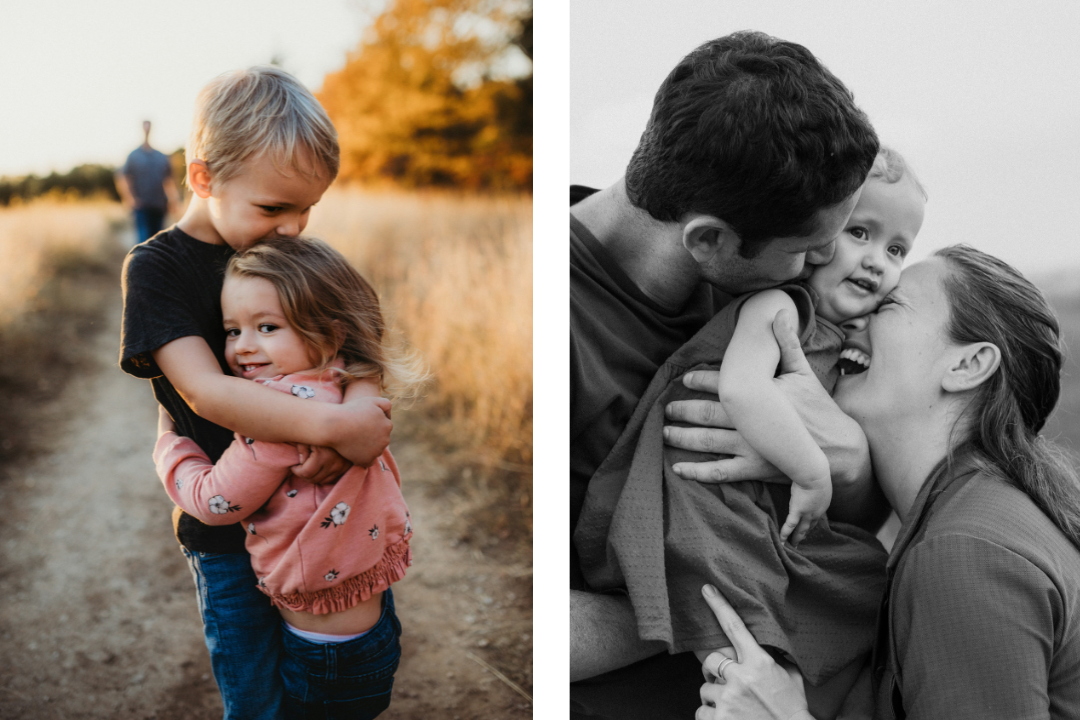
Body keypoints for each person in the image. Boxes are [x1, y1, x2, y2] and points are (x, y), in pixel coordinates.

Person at [570, 30, 889, 720]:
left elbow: (836, 514)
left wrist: (850, 459)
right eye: (808, 249)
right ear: (709, 239)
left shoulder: (768, 288)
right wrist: (730, 599)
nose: (826, 262)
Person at [696, 245, 1080, 719]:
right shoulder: (982, 517)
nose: (855, 319)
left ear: (967, 366)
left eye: (889, 305)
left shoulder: (963, 551)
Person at [119, 66, 394, 720]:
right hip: (226, 535)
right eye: (274, 208)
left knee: (340, 673)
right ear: (203, 178)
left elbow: (359, 337)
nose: (293, 227)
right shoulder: (158, 268)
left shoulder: (292, 256)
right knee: (255, 694)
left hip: (328, 518)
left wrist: (362, 405)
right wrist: (330, 428)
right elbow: (205, 390)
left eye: (307, 209)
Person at [155, 238, 423, 718]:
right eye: (232, 330)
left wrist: (168, 443)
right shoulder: (341, 382)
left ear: (330, 334)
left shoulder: (276, 421)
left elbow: (214, 501)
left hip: (324, 654)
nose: (244, 346)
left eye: (267, 327)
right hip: (371, 626)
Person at [115, 120, 180, 244]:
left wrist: (173, 200)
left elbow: (169, 180)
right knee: (143, 240)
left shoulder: (161, 156)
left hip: (159, 205)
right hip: (141, 206)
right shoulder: (133, 155)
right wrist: (130, 199)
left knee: (158, 241)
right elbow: (123, 177)